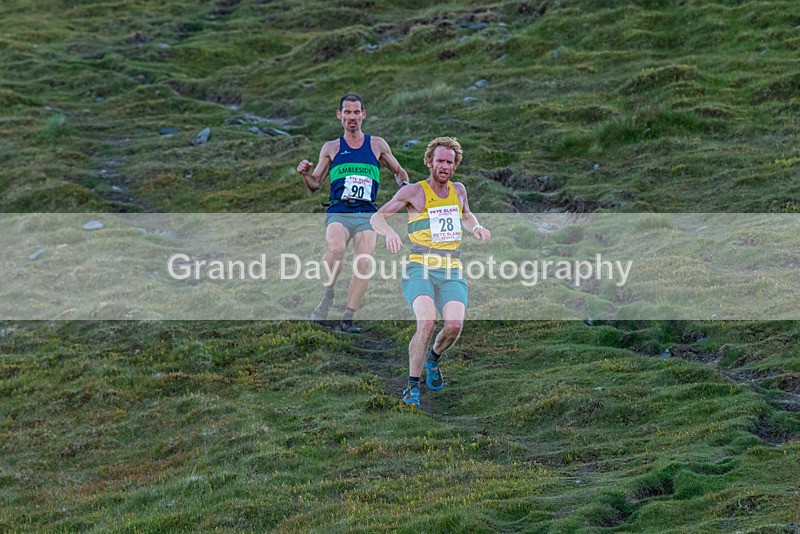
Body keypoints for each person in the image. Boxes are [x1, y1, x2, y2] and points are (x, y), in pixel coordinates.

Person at [370, 137, 491, 406]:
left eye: (449, 161)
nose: (444, 166)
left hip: (451, 269)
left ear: (455, 165)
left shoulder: (459, 190)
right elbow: (377, 217)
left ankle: (433, 359)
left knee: (454, 326)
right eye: (440, 161)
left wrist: (477, 228)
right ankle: (412, 387)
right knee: (425, 323)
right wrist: (389, 233)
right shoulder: (415, 192)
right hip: (420, 267)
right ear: (429, 162)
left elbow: (466, 216)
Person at [297, 93, 410, 333]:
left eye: (356, 112)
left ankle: (347, 318)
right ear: (339, 115)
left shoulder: (377, 144)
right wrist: (306, 174)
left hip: (367, 213)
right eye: (347, 112)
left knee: (364, 261)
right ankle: (328, 294)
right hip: (339, 209)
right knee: (336, 249)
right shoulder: (331, 147)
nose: (352, 117)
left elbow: (399, 171)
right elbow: (316, 183)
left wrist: (404, 190)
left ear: (363, 115)